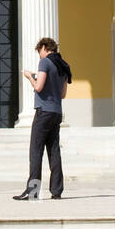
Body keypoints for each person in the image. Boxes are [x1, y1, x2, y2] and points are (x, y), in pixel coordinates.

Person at [14, 36, 68, 200]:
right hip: (57, 112)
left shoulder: (45, 62)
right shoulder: (63, 66)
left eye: (40, 51)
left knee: (36, 151)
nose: (40, 55)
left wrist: (30, 76)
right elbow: (63, 94)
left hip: (43, 111)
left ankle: (33, 191)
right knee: (54, 151)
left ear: (44, 48)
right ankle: (56, 190)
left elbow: (38, 87)